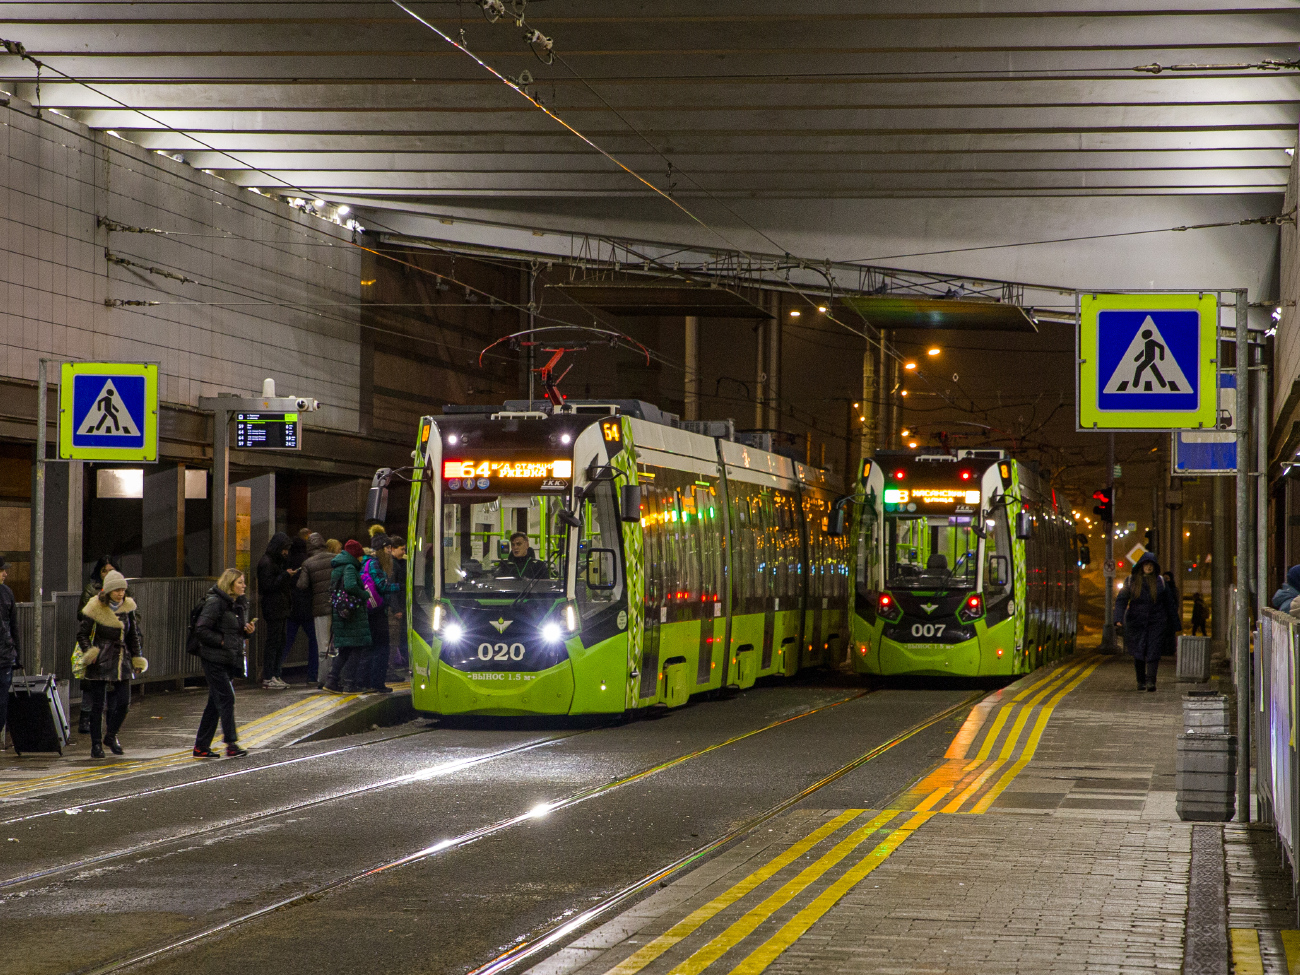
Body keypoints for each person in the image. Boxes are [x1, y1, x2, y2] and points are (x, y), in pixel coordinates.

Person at [77, 570, 147, 758]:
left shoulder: (129, 607)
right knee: (98, 705)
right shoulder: (95, 607)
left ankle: (111, 735)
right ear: (108, 590)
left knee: (124, 702)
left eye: (123, 590)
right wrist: (90, 652)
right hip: (101, 658)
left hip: (122, 658)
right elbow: (83, 634)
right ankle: (96, 745)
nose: (120, 593)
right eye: (116, 590)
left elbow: (133, 635)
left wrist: (137, 658)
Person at [192, 569, 254, 758]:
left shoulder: (237, 604)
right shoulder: (215, 602)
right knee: (227, 698)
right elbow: (201, 629)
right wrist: (221, 641)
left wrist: (247, 631)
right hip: (213, 658)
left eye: (243, 582)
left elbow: (233, 632)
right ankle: (231, 744)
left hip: (227, 658)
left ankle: (201, 747)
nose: (244, 586)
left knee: (215, 702)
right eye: (240, 583)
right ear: (230, 584)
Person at [1115, 554, 1179, 693]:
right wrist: (1118, 618)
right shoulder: (1131, 581)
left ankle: (1151, 681)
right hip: (1136, 622)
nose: (1148, 567)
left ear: (1155, 567)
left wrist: (1175, 624)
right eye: (1146, 564)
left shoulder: (1160, 582)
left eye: (1151, 565)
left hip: (1156, 622)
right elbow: (1121, 600)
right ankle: (1140, 681)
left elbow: (1170, 604)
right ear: (1141, 566)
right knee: (1138, 651)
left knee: (1153, 651)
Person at [323, 540, 372, 694]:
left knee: (345, 650)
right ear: (355, 555)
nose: (361, 559)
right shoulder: (350, 567)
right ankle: (350, 684)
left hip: (342, 614)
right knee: (356, 648)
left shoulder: (338, 567)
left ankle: (332, 680)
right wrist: (364, 594)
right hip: (352, 615)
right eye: (360, 556)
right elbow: (350, 586)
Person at [76, 555, 116, 734]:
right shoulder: (92, 589)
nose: (107, 574)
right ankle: (86, 718)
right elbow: (82, 614)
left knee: (111, 683)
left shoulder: (122, 590)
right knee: (90, 680)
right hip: (95, 640)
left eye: (111, 570)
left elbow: (132, 617)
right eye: (104, 570)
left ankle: (108, 723)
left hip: (114, 642)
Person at [256, 532, 298, 689]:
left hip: (279, 607)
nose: (286, 553)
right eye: (284, 549)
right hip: (273, 607)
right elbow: (267, 586)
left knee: (280, 641)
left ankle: (275, 674)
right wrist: (284, 576)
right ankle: (269, 676)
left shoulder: (273, 561)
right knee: (274, 642)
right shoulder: (267, 563)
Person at [361, 535, 399, 693]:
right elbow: (382, 586)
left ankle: (370, 682)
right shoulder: (375, 563)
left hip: (372, 610)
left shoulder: (368, 562)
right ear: (381, 549)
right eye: (388, 548)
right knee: (382, 648)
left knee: (374, 647)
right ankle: (376, 683)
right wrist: (402, 586)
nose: (390, 551)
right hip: (376, 611)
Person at [284, 532, 320, 685]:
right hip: (306, 608)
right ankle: (312, 675)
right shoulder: (308, 562)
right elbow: (306, 585)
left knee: (286, 641)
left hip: (291, 608)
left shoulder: (286, 561)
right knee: (314, 641)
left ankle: (272, 672)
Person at [301, 533, 336, 686]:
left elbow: (302, 586)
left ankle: (323, 679)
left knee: (323, 645)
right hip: (337, 606)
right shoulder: (334, 558)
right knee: (338, 643)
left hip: (320, 609)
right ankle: (337, 676)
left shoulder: (308, 563)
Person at [0, 559, 18, 751]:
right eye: (2, 570)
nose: (5, 574)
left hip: (4, 656)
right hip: (5, 653)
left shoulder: (7, 593)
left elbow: (14, 625)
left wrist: (16, 653)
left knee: (2, 703)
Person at [388, 537, 409, 678]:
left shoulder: (395, 563)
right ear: (392, 548)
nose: (404, 552)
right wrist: (396, 609)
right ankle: (389, 670)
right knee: (392, 641)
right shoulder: (392, 565)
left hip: (393, 606)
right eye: (402, 549)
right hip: (393, 609)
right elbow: (391, 588)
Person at [1162, 571, 1182, 656]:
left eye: (1167, 579)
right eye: (1164, 579)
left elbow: (1175, 603)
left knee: (1170, 633)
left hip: (1169, 616)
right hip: (1162, 615)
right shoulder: (1160, 588)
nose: (1166, 581)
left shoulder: (1173, 590)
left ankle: (1169, 650)